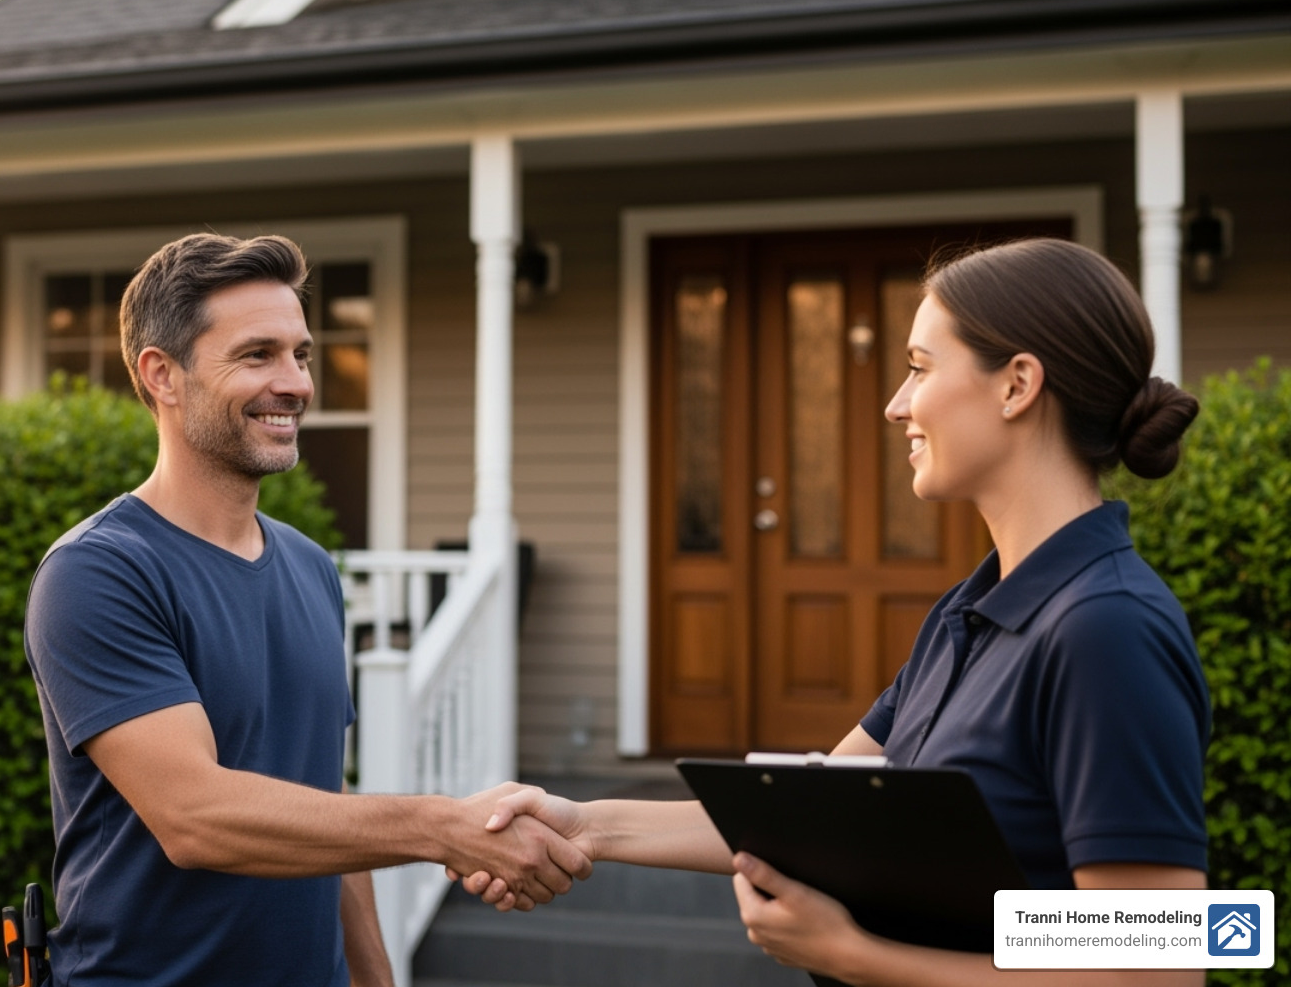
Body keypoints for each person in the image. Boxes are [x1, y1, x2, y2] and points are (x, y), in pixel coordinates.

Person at [459, 238, 1211, 987]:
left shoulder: (1106, 628)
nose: (895, 405)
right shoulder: (971, 612)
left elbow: (1152, 973)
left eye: (919, 368)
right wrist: (583, 823)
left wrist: (855, 956)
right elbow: (800, 811)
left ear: (1016, 385)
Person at [24, 232, 590, 987]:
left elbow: (327, 793)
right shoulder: (100, 572)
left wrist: (376, 979)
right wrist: (444, 828)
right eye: (257, 355)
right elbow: (196, 817)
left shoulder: (309, 566)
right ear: (162, 374)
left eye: (302, 354)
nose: (295, 383)